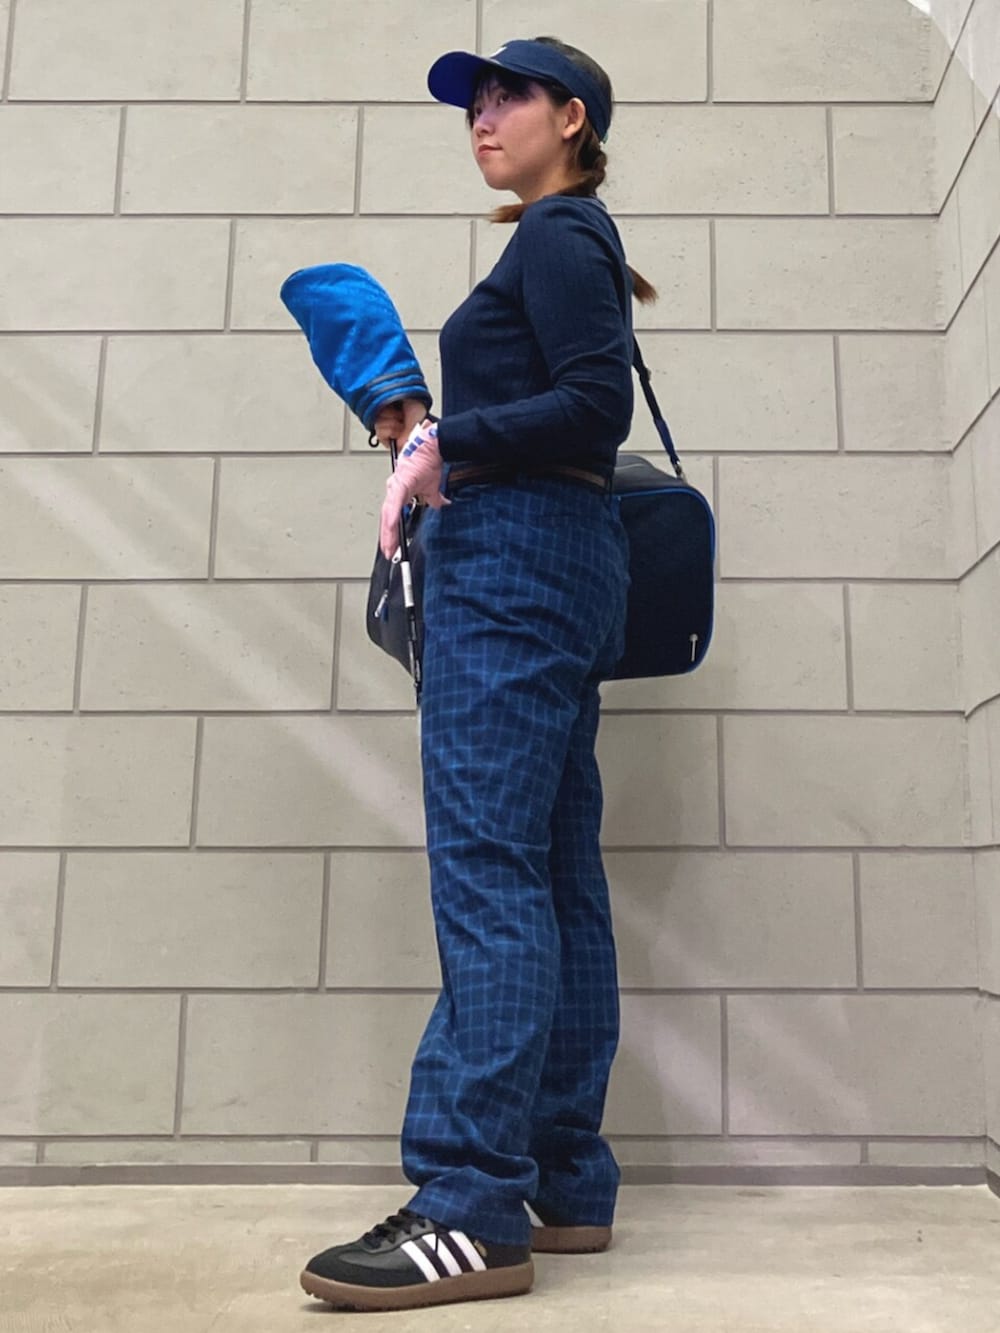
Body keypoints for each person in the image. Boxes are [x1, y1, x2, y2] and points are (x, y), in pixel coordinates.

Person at [300, 35, 657, 1314]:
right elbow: (571, 412)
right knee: (553, 872)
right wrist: (419, 426)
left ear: (574, 118)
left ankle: (467, 1206)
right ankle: (563, 1176)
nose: (482, 118)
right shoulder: (568, 240)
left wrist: (450, 442)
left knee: (489, 869)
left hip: (510, 564)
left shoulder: (558, 233)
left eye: (509, 96)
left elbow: (593, 406)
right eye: (473, 103)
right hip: (561, 560)